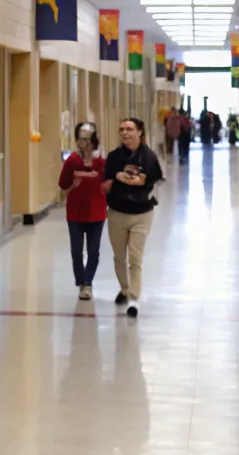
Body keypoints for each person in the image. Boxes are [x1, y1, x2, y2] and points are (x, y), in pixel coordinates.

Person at [104, 117, 164, 318]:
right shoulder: (113, 157)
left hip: (142, 214)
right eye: (121, 129)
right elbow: (106, 181)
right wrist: (115, 179)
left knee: (136, 258)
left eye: (129, 129)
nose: (125, 133)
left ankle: (134, 299)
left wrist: (136, 180)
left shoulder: (149, 157)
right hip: (117, 213)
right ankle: (124, 288)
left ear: (140, 132)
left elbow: (155, 181)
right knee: (119, 257)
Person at [58, 123, 107, 300]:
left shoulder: (101, 162)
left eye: (87, 139)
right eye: (80, 139)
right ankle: (80, 281)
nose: (83, 143)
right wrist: (73, 185)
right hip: (75, 213)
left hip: (96, 212)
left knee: (93, 251)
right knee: (76, 251)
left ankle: (88, 282)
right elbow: (62, 184)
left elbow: (107, 184)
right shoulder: (72, 161)